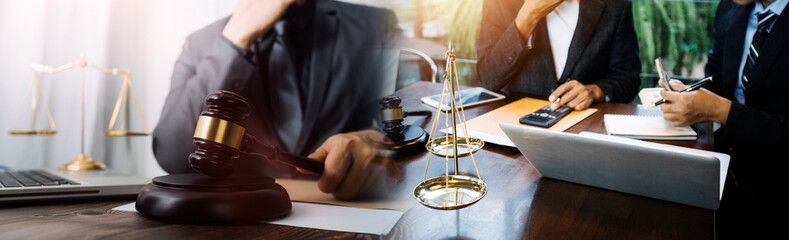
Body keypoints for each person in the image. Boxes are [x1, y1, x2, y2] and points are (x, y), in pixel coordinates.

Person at [152, 0, 397, 200]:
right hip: (241, 217)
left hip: (346, 209)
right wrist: (234, 40)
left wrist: (376, 141)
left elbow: (405, 125)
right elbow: (172, 156)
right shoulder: (200, 43)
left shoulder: (375, 25)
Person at [658, 0, 788, 238]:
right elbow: (715, 79)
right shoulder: (730, 8)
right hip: (726, 184)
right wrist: (691, 96)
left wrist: (722, 111)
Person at [477, 0, 641, 110]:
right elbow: (488, 78)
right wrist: (527, 17)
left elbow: (627, 79)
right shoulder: (499, 3)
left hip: (582, 133)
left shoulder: (617, 5)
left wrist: (594, 91)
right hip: (513, 131)